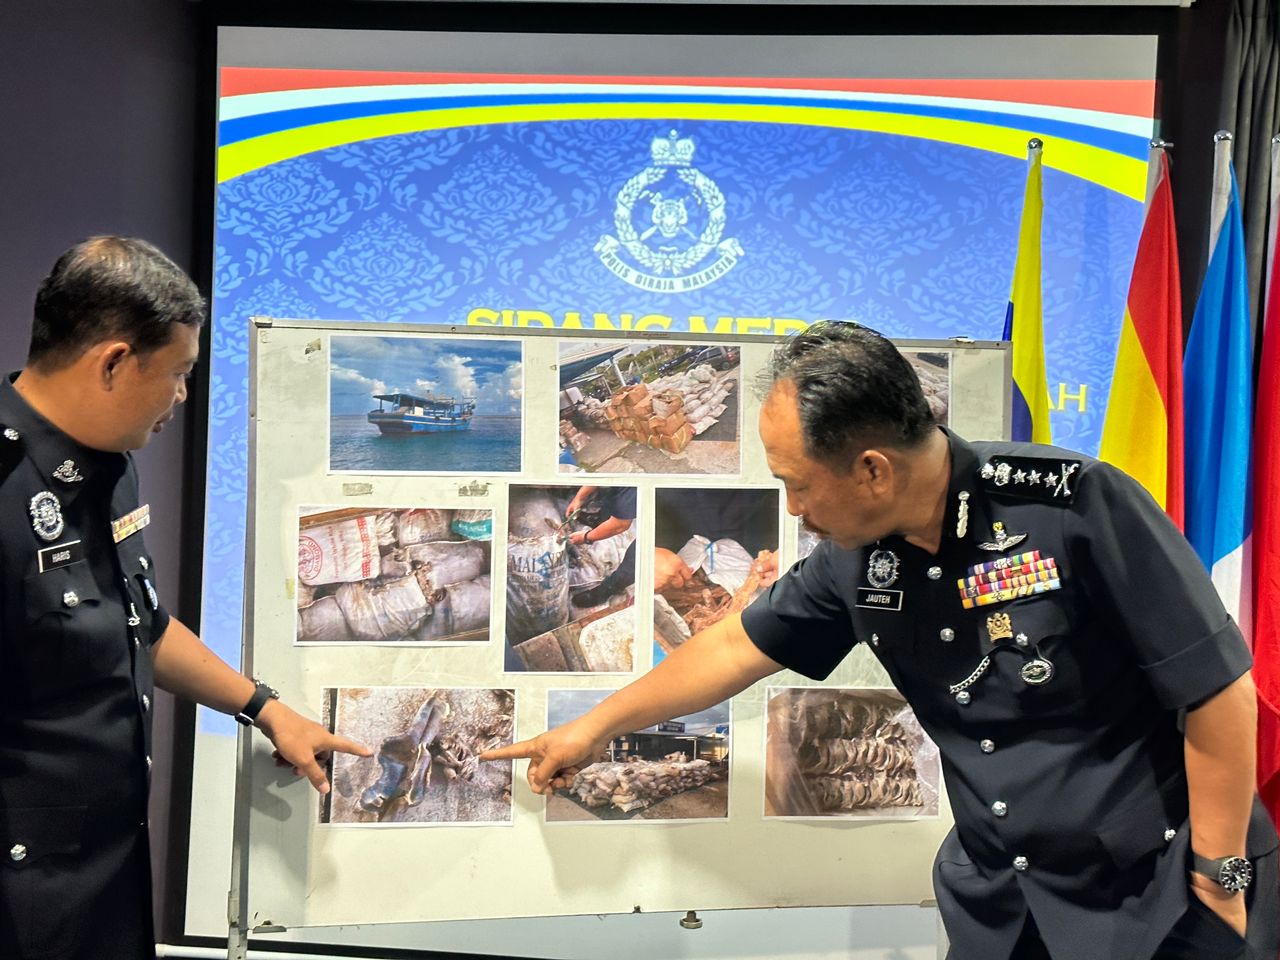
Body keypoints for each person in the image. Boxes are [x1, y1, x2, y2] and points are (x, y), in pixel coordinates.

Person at [485, 321, 1279, 960]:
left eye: (797, 484)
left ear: (872, 470)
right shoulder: (856, 559)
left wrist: (1221, 877)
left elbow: (1216, 690)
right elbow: (732, 649)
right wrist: (592, 727)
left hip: (1161, 893)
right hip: (1007, 907)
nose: (792, 510)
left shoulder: (1072, 508)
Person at [0, 237, 371, 960]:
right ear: (113, 362)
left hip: (102, 882)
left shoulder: (108, 465)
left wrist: (266, 709)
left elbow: (136, 624)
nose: (181, 397)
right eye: (178, 373)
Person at [564, 484, 638, 607]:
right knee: (612, 493)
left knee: (637, 559)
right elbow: (602, 477)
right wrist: (579, 498)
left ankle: (607, 590)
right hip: (628, 492)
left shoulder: (632, 489)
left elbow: (620, 525)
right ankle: (604, 521)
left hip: (668, 516)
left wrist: (586, 537)